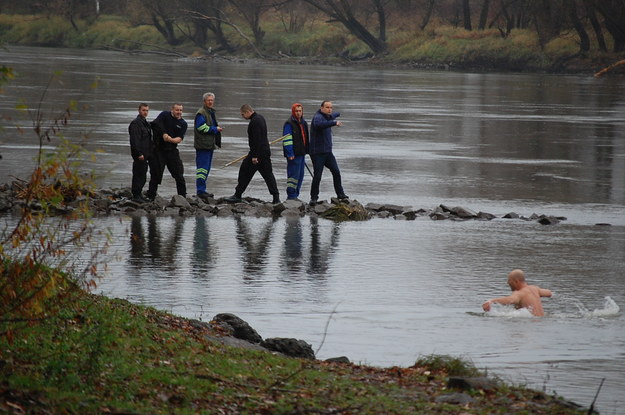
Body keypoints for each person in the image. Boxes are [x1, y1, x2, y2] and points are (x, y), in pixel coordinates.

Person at [225, 104, 280, 204]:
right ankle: (276, 198)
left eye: (242, 114)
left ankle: (237, 195)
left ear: (247, 112)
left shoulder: (254, 122)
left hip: (257, 154)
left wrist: (254, 156)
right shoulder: (261, 118)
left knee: (244, 171)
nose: (242, 117)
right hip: (265, 152)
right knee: (268, 175)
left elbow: (257, 139)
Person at [309, 100, 348, 206]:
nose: (329, 109)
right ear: (321, 108)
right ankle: (313, 198)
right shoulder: (318, 117)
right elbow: (319, 125)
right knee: (317, 176)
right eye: (327, 107)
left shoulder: (328, 116)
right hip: (317, 153)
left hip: (328, 153)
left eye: (331, 107)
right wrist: (334, 123)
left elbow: (332, 116)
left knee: (336, 172)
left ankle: (340, 194)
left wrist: (338, 114)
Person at [151, 103, 188, 197]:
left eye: (180, 110)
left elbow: (179, 139)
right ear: (172, 110)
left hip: (172, 150)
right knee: (156, 174)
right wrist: (163, 134)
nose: (179, 112)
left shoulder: (183, 123)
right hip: (159, 149)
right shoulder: (164, 115)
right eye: (177, 110)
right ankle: (151, 195)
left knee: (179, 174)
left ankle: (182, 196)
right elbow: (155, 124)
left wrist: (170, 139)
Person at [482, 269, 553, 316]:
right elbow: (549, 293)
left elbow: (511, 299)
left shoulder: (519, 293)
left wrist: (492, 301)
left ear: (516, 281)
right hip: (541, 321)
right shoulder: (535, 288)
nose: (507, 283)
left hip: (531, 324)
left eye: (509, 280)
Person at [194, 92, 223, 200]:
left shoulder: (210, 112)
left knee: (206, 169)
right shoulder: (201, 113)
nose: (210, 102)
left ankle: (202, 190)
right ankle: (200, 191)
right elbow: (201, 127)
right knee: (202, 169)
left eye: (212, 100)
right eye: (208, 100)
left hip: (209, 145)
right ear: (204, 101)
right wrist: (215, 129)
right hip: (203, 146)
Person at [128, 103, 159, 202]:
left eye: (147, 110)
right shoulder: (136, 123)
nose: (145, 112)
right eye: (143, 110)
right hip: (140, 154)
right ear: (139, 110)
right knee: (138, 174)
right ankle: (136, 195)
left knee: (143, 175)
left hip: (147, 154)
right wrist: (139, 153)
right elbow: (135, 140)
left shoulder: (146, 123)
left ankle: (139, 194)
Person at [282, 103, 309, 201]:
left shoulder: (303, 122)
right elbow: (287, 140)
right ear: (293, 112)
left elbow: (305, 138)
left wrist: (307, 151)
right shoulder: (289, 123)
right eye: (296, 111)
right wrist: (290, 153)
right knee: (293, 176)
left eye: (300, 111)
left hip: (301, 153)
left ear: (302, 112)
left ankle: (296, 195)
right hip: (294, 154)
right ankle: (291, 195)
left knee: (300, 175)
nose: (298, 113)